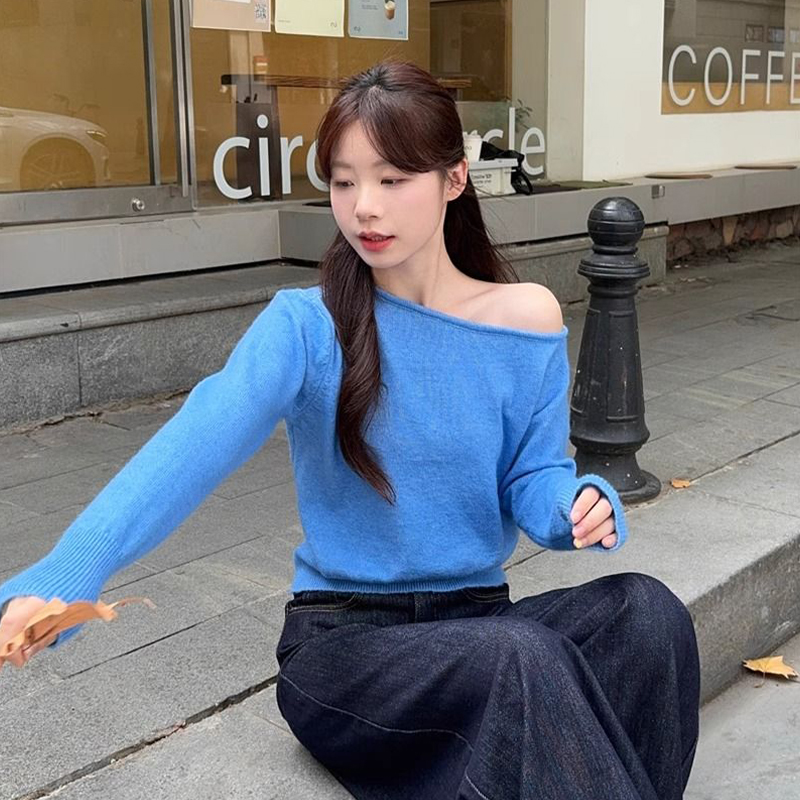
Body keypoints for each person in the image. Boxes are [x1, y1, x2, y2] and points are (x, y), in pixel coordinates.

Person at [0, 60, 700, 799]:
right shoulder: (306, 326)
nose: (365, 207)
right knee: (519, 654)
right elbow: (190, 446)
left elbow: (533, 475)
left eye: (392, 179)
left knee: (646, 614)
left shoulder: (524, 318)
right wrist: (68, 573)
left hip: (476, 625)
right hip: (347, 650)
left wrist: (572, 506)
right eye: (343, 182)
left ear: (455, 179)